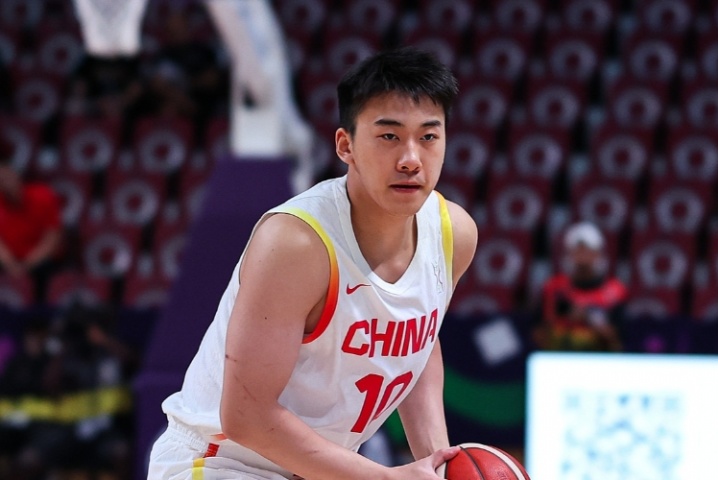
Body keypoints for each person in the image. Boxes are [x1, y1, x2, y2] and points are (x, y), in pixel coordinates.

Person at [148, 47, 478, 479]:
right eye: (389, 136)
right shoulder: (297, 243)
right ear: (346, 145)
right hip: (221, 461)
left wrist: (441, 463)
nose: (411, 159)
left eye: (429, 137)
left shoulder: (454, 234)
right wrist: (387, 478)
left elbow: (418, 342)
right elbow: (246, 417)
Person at [534, 222, 628, 352]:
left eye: (588, 250)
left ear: (598, 253)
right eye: (578, 249)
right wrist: (568, 321)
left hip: (600, 358)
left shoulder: (616, 291)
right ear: (568, 253)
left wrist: (590, 320)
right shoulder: (553, 288)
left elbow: (620, 340)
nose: (582, 255)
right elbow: (539, 334)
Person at [0, 137, 62, 302]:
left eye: (8, 177)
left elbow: (52, 237)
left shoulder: (43, 195)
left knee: (47, 271)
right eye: (1, 180)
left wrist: (29, 264)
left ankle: (42, 313)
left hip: (39, 260)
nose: (5, 182)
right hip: (9, 261)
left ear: (18, 176)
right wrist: (11, 264)